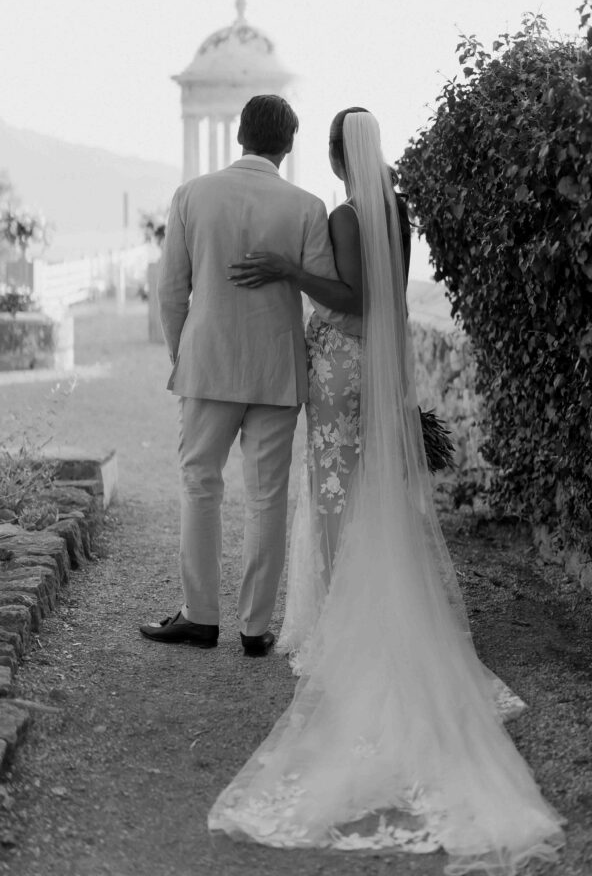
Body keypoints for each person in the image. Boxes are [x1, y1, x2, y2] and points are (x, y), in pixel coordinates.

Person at [211, 109, 566, 873]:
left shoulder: (347, 215)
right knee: (367, 490)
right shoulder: (397, 211)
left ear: (338, 156)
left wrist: (287, 270)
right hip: (377, 365)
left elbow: (352, 297)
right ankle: (373, 606)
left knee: (335, 491)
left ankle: (350, 620)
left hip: (343, 364)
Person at [139, 94, 338, 656]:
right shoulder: (307, 207)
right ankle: (255, 629)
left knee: (200, 485)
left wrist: (183, 353)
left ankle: (200, 617)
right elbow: (325, 300)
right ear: (289, 144)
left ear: (239, 135)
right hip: (277, 369)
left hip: (208, 364)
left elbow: (171, 291)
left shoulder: (191, 194)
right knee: (267, 497)